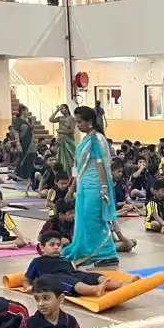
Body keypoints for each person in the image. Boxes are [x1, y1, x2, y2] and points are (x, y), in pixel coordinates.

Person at [62, 106, 123, 266]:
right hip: (83, 185)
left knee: (93, 220)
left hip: (95, 186)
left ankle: (105, 253)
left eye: (80, 122)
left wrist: (103, 187)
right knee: (84, 220)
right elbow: (78, 167)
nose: (77, 125)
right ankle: (103, 252)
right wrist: (72, 187)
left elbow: (100, 164)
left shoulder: (96, 139)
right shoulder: (85, 139)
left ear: (90, 122)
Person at [27, 233, 135, 297]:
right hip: (55, 278)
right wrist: (29, 287)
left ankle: (121, 284)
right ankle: (94, 289)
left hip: (71, 274)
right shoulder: (38, 261)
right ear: (42, 247)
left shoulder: (64, 259)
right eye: (52, 245)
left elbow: (73, 269)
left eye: (58, 245)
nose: (56, 247)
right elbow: (26, 279)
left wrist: (85, 273)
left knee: (94, 276)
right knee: (73, 282)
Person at [13, 104, 37, 189]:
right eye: (27, 110)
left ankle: (30, 176)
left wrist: (33, 124)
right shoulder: (17, 120)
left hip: (31, 143)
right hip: (23, 142)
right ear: (22, 110)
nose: (28, 112)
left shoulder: (29, 119)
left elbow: (32, 131)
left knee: (32, 157)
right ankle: (22, 176)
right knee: (23, 158)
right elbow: (16, 132)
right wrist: (18, 143)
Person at [50, 104, 75, 175]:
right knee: (60, 158)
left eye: (62, 108)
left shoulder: (71, 119)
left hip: (68, 141)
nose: (61, 110)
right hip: (60, 141)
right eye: (60, 109)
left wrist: (61, 131)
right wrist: (56, 111)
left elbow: (72, 131)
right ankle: (61, 174)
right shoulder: (60, 118)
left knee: (70, 158)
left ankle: (71, 175)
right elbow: (51, 119)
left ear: (67, 109)